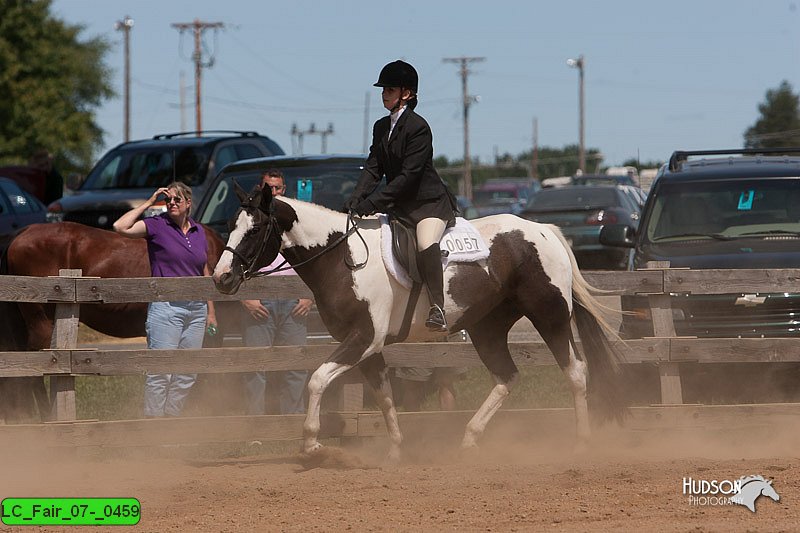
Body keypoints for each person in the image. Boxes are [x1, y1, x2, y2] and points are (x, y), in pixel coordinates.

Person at [344, 60, 458, 332]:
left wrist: (373, 203)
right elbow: (373, 167)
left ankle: (437, 308)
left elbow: (409, 177)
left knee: (425, 242)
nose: (384, 94)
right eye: (383, 89)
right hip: (400, 207)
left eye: (390, 89)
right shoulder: (381, 127)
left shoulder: (419, 128)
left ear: (407, 94)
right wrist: (355, 198)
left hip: (427, 205)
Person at [113, 182, 217, 417]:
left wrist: (211, 311)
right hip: (166, 308)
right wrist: (150, 202)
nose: (171, 203)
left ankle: (170, 426)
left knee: (187, 373)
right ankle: (154, 428)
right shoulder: (156, 225)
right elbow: (120, 226)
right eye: (167, 200)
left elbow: (204, 271)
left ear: (188, 203)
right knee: (161, 372)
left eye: (176, 200)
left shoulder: (199, 231)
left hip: (197, 310)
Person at [241, 169, 312, 415]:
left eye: (278, 188)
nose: (274, 192)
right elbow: (235, 260)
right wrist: (245, 299)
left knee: (296, 365)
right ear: (261, 189)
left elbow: (313, 262)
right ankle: (256, 426)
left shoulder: (296, 224)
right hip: (260, 303)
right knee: (256, 365)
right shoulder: (251, 220)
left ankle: (292, 421)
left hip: (294, 303)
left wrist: (309, 296)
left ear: (284, 190)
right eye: (269, 187)